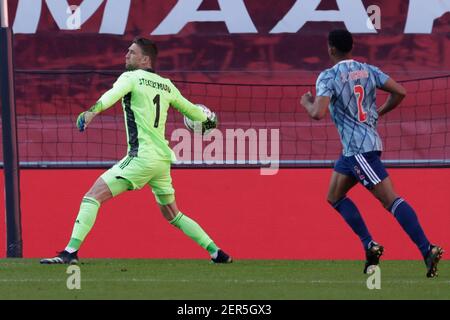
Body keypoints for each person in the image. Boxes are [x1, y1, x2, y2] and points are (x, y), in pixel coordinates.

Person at [40, 37, 232, 265]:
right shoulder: (167, 84)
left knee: (92, 196)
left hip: (141, 157)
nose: (126, 55)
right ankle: (216, 252)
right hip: (161, 160)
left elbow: (111, 95)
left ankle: (69, 252)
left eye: (131, 52)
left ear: (145, 59)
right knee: (173, 215)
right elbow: (194, 112)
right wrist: (209, 121)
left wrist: (92, 111)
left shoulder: (131, 77)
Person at [300, 29, 443, 277]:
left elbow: (317, 113)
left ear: (331, 48)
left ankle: (427, 248)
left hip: (359, 151)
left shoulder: (328, 76)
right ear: (351, 47)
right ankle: (369, 245)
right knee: (334, 196)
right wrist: (379, 112)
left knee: (391, 200)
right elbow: (401, 91)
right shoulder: (368, 70)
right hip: (359, 148)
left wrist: (307, 102)